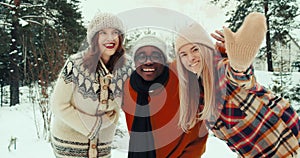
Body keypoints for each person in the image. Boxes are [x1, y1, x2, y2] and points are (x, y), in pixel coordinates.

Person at [175, 12, 300, 158]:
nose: (190, 58)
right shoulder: (197, 91)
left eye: (195, 49)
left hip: (285, 144)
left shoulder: (222, 69)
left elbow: (241, 76)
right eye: (183, 54)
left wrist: (239, 59)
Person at [50, 12, 133, 158]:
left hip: (103, 146)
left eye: (115, 32)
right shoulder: (75, 64)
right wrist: (96, 125)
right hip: (68, 145)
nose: (110, 38)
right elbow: (59, 105)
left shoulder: (128, 67)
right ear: (94, 38)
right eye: (103, 32)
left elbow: (137, 101)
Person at [122, 35, 208, 158]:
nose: (148, 61)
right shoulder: (129, 86)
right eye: (141, 56)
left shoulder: (180, 76)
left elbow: (202, 57)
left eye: (156, 56)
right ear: (135, 62)